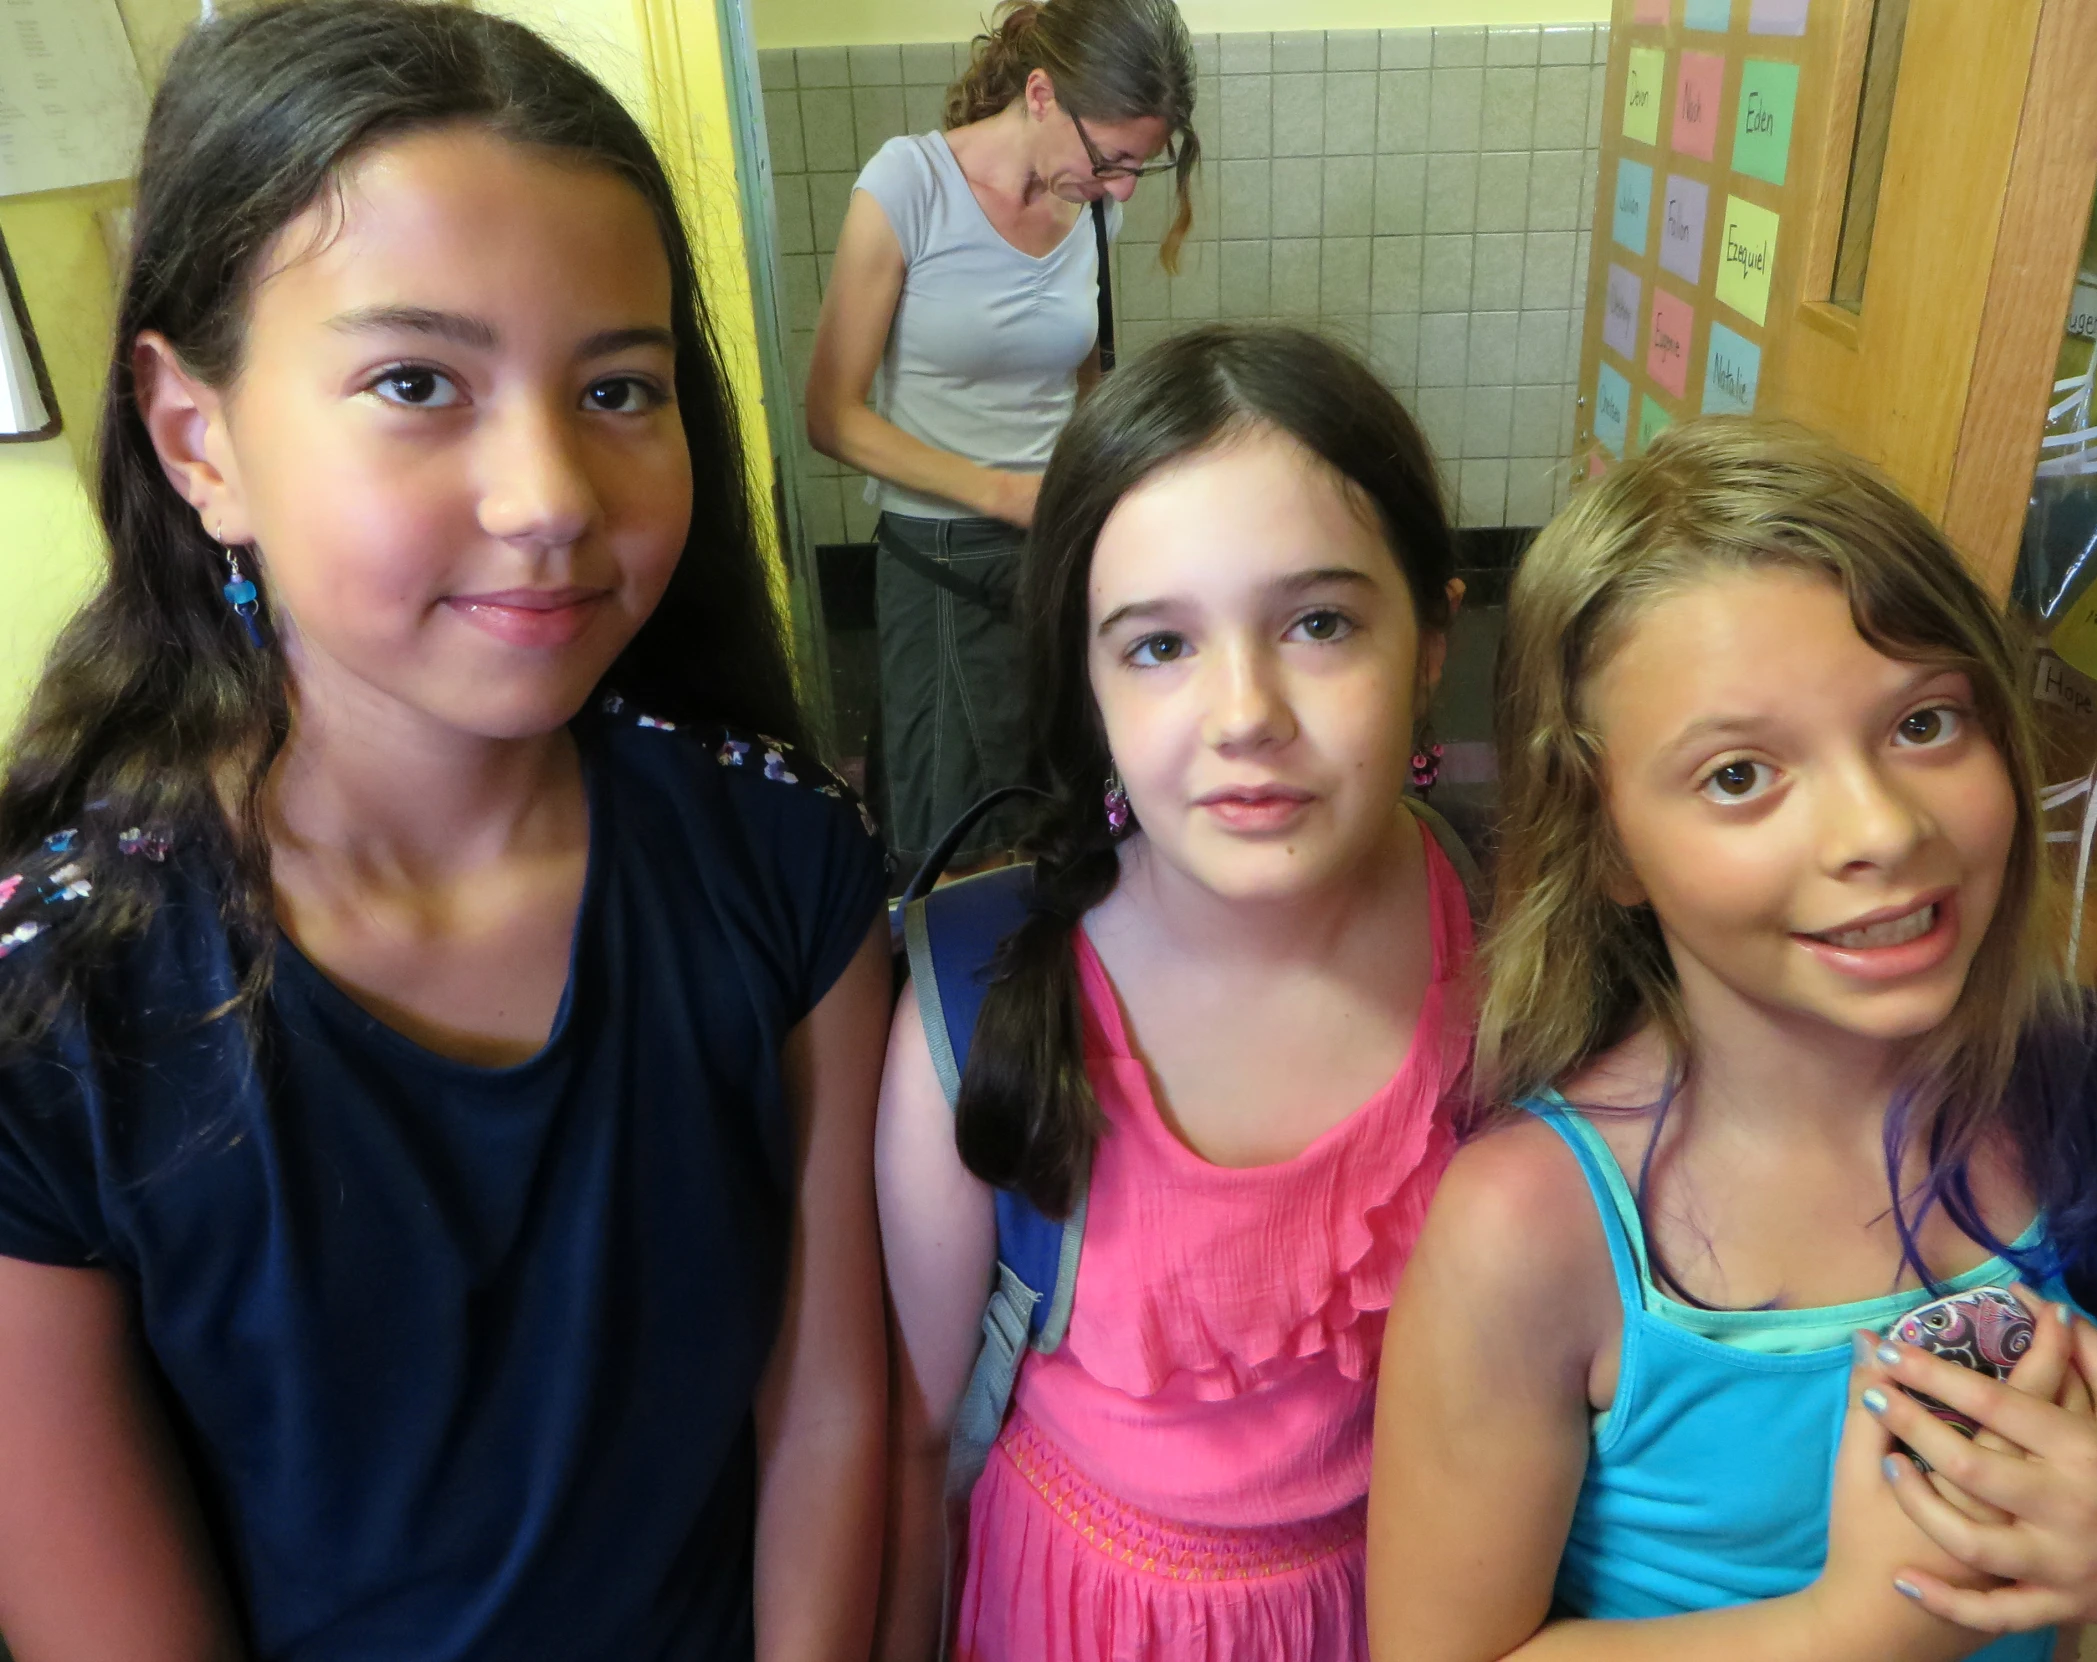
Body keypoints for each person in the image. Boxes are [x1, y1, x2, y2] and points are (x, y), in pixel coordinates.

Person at [0, 6, 886, 1658]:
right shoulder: (56, 1015)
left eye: (619, 384)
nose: (549, 490)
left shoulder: (784, 865)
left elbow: (826, 1412)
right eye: (416, 380)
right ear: (198, 437)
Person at [1368, 419, 2097, 1662]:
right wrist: (1849, 1629)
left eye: (1923, 724)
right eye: (1737, 776)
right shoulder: (1534, 1231)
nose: (1876, 827)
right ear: (1604, 844)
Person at [873, 324, 1478, 1662]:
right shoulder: (975, 1004)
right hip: (1074, 1616)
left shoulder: (1519, 968)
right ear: (1087, 679)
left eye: (1318, 623)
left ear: (1434, 637)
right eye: (1158, 646)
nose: (1244, 710)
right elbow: (915, 1436)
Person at [806, 0, 1198, 877]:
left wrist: (1119, 479)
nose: (1124, 185)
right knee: (957, 828)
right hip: (941, 553)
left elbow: (1087, 383)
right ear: (1040, 94)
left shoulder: (1094, 209)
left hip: (1055, 541)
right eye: (1111, 158)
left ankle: (1053, 993)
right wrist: (1000, 491)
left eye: (1140, 164)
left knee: (1064, 809)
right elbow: (832, 415)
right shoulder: (909, 186)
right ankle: (951, 1004)